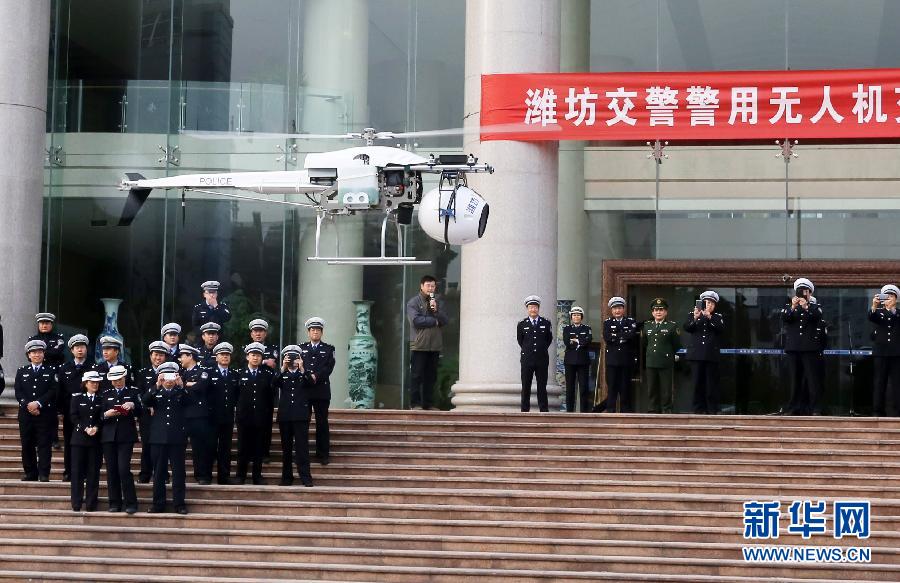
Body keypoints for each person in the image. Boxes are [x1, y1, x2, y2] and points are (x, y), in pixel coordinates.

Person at [143, 361, 191, 514]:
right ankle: (158, 504)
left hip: (177, 438)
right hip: (158, 438)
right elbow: (145, 401)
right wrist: (156, 385)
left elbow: (190, 402)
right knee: (158, 473)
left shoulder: (180, 392)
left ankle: (179, 504)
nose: (169, 380)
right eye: (166, 376)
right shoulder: (155, 391)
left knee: (178, 473)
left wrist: (181, 386)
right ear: (160, 376)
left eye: (172, 375)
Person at [15, 340, 58, 481]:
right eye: (33, 352)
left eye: (39, 352)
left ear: (44, 354)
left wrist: (38, 403)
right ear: (28, 355)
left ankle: (44, 473)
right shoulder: (22, 371)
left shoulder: (51, 371)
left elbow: (53, 390)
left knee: (44, 444)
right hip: (26, 414)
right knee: (27, 443)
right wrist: (28, 405)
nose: (37, 355)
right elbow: (18, 391)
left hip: (44, 413)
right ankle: (30, 473)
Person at [100, 365, 141, 514]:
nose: (117, 382)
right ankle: (114, 503)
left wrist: (133, 405)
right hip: (109, 436)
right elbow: (98, 414)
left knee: (123, 469)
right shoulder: (105, 393)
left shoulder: (133, 391)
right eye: (114, 380)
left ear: (125, 378)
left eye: (119, 379)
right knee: (111, 471)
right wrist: (106, 414)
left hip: (126, 435)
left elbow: (141, 410)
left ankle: (131, 502)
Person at [406, 275, 449, 410]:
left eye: (433, 286)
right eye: (428, 285)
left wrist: (435, 311)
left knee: (431, 376)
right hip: (419, 345)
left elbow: (445, 320)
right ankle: (415, 403)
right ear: (422, 286)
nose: (431, 288)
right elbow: (416, 321)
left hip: (434, 345)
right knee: (417, 375)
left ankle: (428, 404)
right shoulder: (413, 302)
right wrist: (434, 321)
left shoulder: (438, 302)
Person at [782, 278, 824, 415]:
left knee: (812, 380)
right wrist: (794, 306)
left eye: (805, 291)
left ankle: (814, 408)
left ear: (810, 293)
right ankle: (794, 407)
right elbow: (785, 317)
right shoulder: (790, 308)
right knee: (795, 379)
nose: (802, 294)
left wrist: (806, 306)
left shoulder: (814, 307)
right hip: (793, 348)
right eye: (800, 291)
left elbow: (817, 316)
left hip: (809, 348)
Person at [235, 342, 274, 485]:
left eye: (258, 355)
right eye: (253, 355)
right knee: (242, 448)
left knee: (259, 448)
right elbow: (235, 395)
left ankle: (257, 476)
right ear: (247, 357)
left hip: (260, 417)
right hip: (244, 417)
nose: (255, 358)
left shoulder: (266, 375)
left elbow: (270, 396)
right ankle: (241, 476)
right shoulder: (239, 373)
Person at [275, 344, 314, 487]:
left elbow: (311, 383)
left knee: (302, 448)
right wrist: (283, 367)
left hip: (301, 416)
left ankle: (306, 477)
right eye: (289, 357)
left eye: (295, 357)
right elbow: (273, 383)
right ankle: (286, 478)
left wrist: (302, 368)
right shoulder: (282, 374)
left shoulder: (304, 374)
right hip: (285, 416)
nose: (292, 360)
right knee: (286, 449)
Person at [683, 290, 725, 414]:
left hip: (711, 355)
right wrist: (696, 318)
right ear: (702, 303)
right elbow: (687, 327)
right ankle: (698, 409)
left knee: (711, 384)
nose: (709, 305)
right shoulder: (693, 314)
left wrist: (709, 317)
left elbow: (720, 329)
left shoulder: (717, 317)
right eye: (707, 302)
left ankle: (712, 409)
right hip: (696, 355)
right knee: (697, 384)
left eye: (712, 303)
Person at [301, 317, 335, 464]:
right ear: (308, 332)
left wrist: (316, 376)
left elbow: (329, 367)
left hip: (321, 390)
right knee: (303, 422)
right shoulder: (300, 348)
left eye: (318, 330)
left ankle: (323, 454)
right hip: (305, 391)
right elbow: (297, 366)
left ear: (322, 332)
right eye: (312, 330)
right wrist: (309, 376)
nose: (315, 332)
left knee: (322, 422)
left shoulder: (329, 349)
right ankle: (303, 454)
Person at [178, 344, 214, 485]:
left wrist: (184, 385)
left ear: (190, 356)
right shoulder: (181, 373)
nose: (180, 358)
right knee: (180, 448)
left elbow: (201, 386)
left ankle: (202, 475)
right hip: (183, 416)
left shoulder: (202, 371)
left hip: (198, 415)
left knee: (200, 447)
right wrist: (188, 384)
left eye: (182, 356)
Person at [134, 341, 170, 483]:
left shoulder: (170, 373)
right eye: (156, 355)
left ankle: (162, 474)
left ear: (165, 357)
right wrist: (147, 406)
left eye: (161, 355)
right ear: (150, 356)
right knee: (147, 446)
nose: (158, 358)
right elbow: (138, 394)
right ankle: (145, 474)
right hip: (147, 416)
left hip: (163, 415)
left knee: (162, 446)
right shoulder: (143, 373)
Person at [57, 334, 91, 481]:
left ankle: (84, 472)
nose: (80, 350)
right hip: (70, 413)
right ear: (71, 350)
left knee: (86, 444)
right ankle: (69, 471)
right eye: (77, 347)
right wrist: (61, 410)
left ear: (86, 349)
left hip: (88, 412)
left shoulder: (92, 367)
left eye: (82, 347)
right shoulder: (65, 368)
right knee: (70, 442)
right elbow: (60, 391)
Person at [69, 371, 104, 512]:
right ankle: (76, 502)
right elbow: (73, 416)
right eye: (92, 382)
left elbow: (102, 417)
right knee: (77, 472)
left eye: (96, 382)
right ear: (85, 383)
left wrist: (96, 427)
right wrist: (85, 428)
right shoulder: (77, 398)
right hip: (79, 440)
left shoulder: (101, 399)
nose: (94, 384)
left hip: (95, 440)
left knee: (93, 472)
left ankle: (91, 503)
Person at [641, 298, 681, 414]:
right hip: (651, 361)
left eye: (661, 310)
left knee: (666, 388)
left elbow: (677, 345)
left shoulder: (671, 326)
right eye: (656, 310)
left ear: (666, 312)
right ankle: (653, 409)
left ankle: (666, 409)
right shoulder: (647, 325)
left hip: (665, 362)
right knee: (652, 388)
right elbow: (644, 343)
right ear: (652, 312)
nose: (658, 312)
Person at [247, 319, 279, 461]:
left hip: (267, 390)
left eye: (261, 331)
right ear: (251, 334)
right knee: (249, 424)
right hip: (249, 391)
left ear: (265, 333)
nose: (258, 334)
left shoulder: (273, 348)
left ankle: (264, 452)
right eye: (255, 331)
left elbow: (273, 364)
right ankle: (250, 452)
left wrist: (262, 362)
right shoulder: (245, 348)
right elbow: (245, 363)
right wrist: (265, 361)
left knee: (266, 424)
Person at [208, 342, 239, 484]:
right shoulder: (209, 373)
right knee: (210, 446)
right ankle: (207, 475)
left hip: (227, 417)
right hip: (212, 416)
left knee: (225, 448)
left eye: (227, 355)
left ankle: (224, 477)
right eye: (222, 355)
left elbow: (237, 396)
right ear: (216, 357)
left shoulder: (234, 374)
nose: (225, 357)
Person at [517, 295, 553, 412]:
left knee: (542, 386)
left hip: (541, 359)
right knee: (526, 386)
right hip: (527, 359)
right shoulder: (522, 324)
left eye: (535, 307)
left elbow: (548, 339)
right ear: (527, 309)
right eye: (531, 307)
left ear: (538, 308)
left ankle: (543, 410)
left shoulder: (546, 323)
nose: (533, 309)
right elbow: (520, 341)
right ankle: (524, 411)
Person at [603, 297, 638, 413]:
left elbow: (632, 336)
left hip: (626, 359)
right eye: (614, 308)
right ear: (611, 310)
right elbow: (607, 337)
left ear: (623, 309)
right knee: (612, 386)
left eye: (619, 308)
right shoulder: (608, 322)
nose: (617, 311)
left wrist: (616, 336)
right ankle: (610, 410)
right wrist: (623, 336)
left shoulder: (630, 321)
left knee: (625, 387)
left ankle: (625, 411)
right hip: (612, 360)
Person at [870, 284, 900, 416]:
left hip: (896, 353)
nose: (888, 299)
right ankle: (877, 410)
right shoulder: (878, 313)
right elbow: (871, 317)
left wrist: (892, 310)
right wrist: (874, 305)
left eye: (891, 296)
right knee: (879, 382)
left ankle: (897, 410)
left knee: (897, 383)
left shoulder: (898, 313)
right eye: (886, 297)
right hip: (881, 353)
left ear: (896, 299)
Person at [562, 306, 593, 412]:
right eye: (574, 315)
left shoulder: (587, 328)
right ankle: (569, 411)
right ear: (571, 317)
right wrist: (581, 341)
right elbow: (567, 342)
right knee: (570, 388)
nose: (576, 317)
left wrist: (577, 341)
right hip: (570, 361)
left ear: (582, 317)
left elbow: (588, 341)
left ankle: (584, 412)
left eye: (578, 315)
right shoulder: (567, 328)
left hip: (583, 361)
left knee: (584, 388)